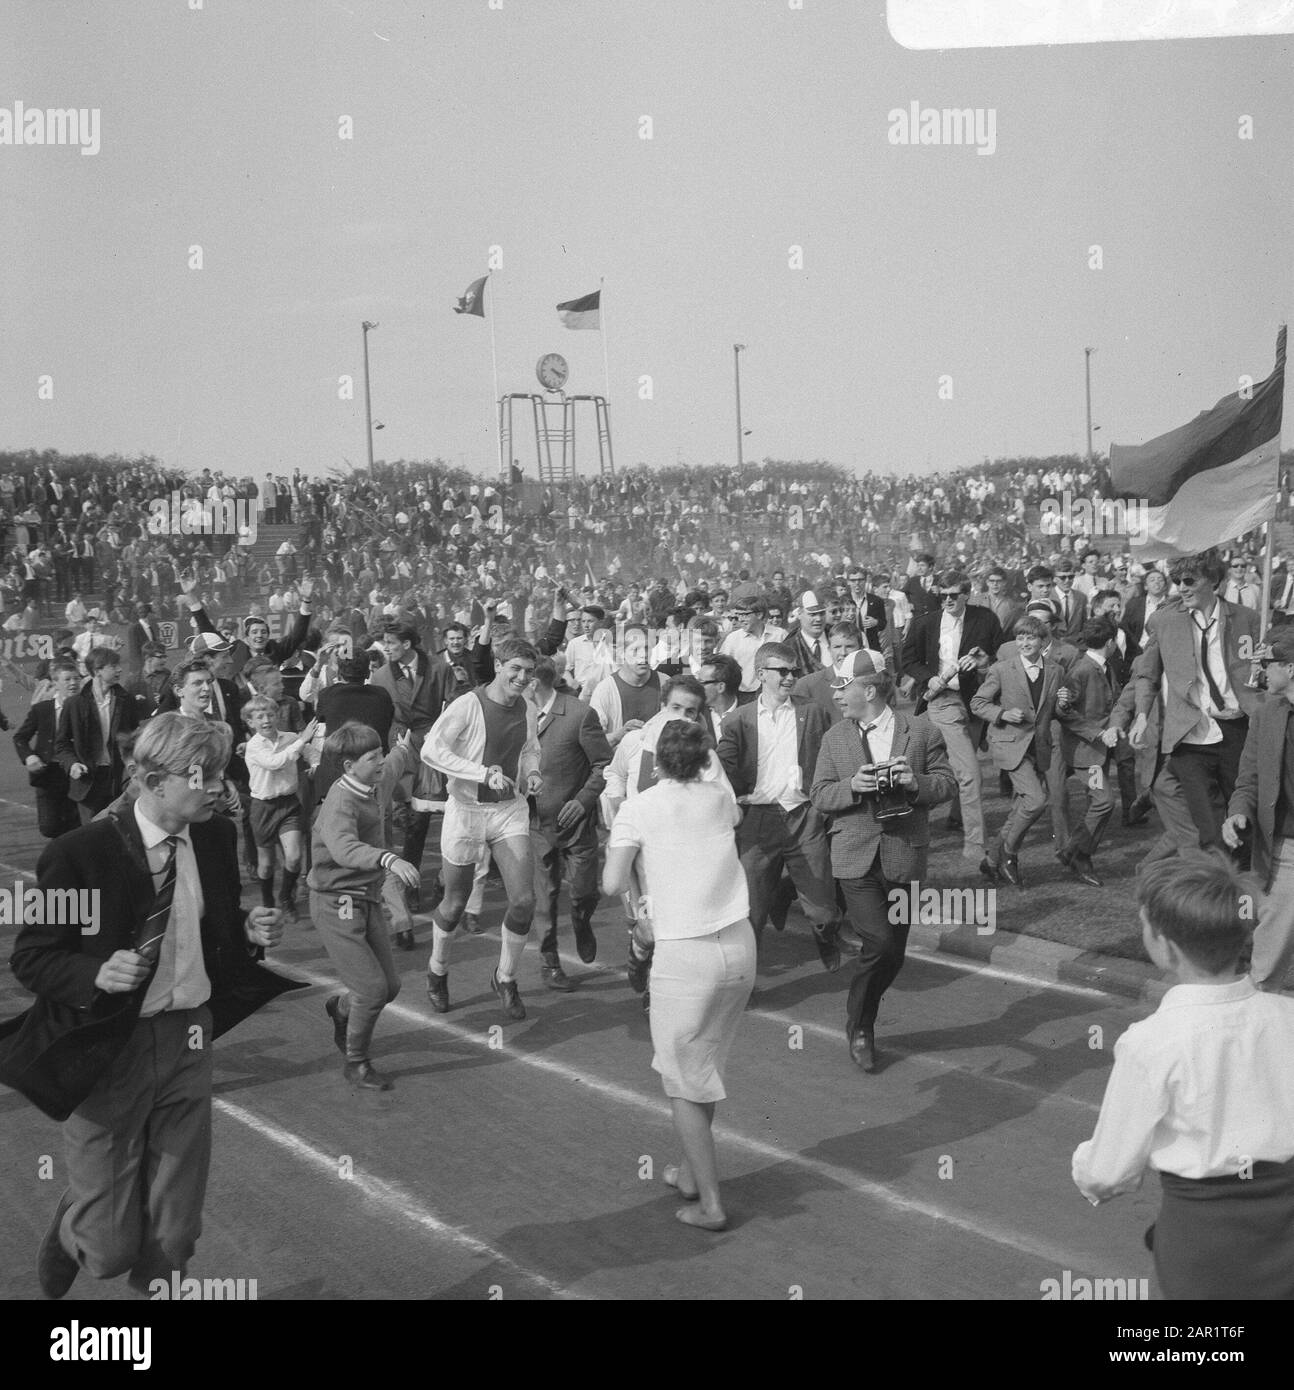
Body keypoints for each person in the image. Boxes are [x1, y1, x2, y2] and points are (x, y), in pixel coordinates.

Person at [0, 714, 300, 1298]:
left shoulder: (212, 837)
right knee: (109, 1252)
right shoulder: (80, 853)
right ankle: (74, 1228)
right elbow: (33, 957)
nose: (218, 785)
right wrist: (96, 972)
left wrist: (249, 929)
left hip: (190, 1037)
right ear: (153, 781)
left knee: (174, 1235)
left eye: (220, 771)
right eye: (203, 773)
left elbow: (203, 926)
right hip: (110, 1049)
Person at [1071, 854, 1294, 1300]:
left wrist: (1085, 1167)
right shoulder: (1287, 1017)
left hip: (1204, 1242)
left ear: (1165, 944)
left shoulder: (1151, 1042)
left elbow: (1108, 1172)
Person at [602, 719, 753, 1232]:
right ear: (704, 759)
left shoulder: (637, 808)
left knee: (683, 1080)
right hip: (740, 946)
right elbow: (729, 805)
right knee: (704, 1064)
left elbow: (610, 882)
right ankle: (690, 1173)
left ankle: (710, 1204)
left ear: (657, 763)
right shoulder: (717, 799)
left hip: (685, 955)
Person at [810, 652, 956, 1071]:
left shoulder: (922, 731)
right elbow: (819, 794)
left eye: (843, 688)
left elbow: (947, 785)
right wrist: (852, 787)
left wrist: (916, 784)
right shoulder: (835, 737)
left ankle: (862, 1016)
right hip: (854, 855)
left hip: (904, 853)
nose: (836, 696)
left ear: (868, 690)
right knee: (879, 941)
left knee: (895, 953)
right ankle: (860, 1026)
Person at [420, 636, 544, 1020]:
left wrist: (533, 771)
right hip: (467, 810)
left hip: (508, 810)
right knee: (455, 904)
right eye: (515, 670)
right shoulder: (468, 705)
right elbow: (430, 750)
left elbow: (530, 748)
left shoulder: (528, 706)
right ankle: (437, 971)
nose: (522, 678)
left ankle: (505, 977)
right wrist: (479, 773)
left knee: (524, 901)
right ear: (498, 666)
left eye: (528, 672)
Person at [716, 641, 841, 974]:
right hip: (758, 820)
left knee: (823, 906)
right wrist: (732, 800)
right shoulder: (738, 721)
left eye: (794, 671)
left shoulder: (812, 711)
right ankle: (746, 975)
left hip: (804, 816)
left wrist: (824, 801)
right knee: (750, 910)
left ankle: (826, 935)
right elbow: (723, 770)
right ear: (761, 674)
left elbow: (833, 755)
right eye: (782, 672)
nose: (790, 678)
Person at [308, 722, 420, 1091]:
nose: (380, 762)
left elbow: (393, 767)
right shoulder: (340, 802)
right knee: (371, 990)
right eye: (373, 757)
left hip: (365, 898)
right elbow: (343, 849)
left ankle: (341, 1010)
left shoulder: (372, 781)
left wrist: (402, 749)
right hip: (336, 902)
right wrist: (390, 860)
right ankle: (356, 1061)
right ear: (348, 766)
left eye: (380, 753)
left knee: (389, 986)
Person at [1129, 550, 1263, 851]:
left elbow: (1260, 676)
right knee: (1211, 829)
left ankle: (1242, 886)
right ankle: (1219, 888)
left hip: (1236, 730)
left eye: (1189, 580)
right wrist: (1140, 715)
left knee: (1244, 820)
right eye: (1177, 580)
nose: (1181, 587)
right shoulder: (1164, 621)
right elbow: (1146, 675)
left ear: (1213, 579)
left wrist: (1261, 671)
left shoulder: (1246, 619)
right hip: (1189, 735)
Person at [901, 569, 1001, 863]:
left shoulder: (985, 619)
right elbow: (908, 660)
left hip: (976, 702)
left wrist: (986, 662)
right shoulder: (925, 623)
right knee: (970, 773)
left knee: (960, 765)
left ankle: (956, 818)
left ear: (966, 594)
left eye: (953, 595)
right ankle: (974, 844)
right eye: (942, 595)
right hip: (942, 701)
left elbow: (1002, 653)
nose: (947, 600)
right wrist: (928, 678)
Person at [526, 657, 612, 990]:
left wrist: (583, 800)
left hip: (576, 825)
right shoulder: (518, 717)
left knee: (584, 892)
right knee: (543, 898)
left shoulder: (578, 714)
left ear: (535, 683)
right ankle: (550, 964)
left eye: (522, 679)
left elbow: (603, 763)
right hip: (535, 825)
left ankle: (581, 920)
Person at [971, 614, 1066, 888]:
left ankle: (990, 861)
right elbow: (977, 703)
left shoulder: (1056, 670)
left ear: (1042, 641)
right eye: (1020, 638)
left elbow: (1055, 712)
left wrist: (1065, 703)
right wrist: (1001, 713)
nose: (1025, 643)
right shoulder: (1002, 669)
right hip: (1010, 744)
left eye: (1031, 638)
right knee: (1035, 801)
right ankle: (1009, 855)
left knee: (1020, 807)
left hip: (1039, 745)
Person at [1222, 639, 1294, 991]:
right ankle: (1256, 1033)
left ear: (1290, 668)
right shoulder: (1266, 714)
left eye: (1269, 664)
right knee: (1267, 963)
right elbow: (1248, 778)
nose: (1262, 671)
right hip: (1284, 850)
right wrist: (1237, 813)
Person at [1054, 618, 1122, 888]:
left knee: (1101, 801)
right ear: (1110, 643)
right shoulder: (1083, 670)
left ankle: (1077, 852)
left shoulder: (1103, 667)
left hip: (1099, 751)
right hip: (1086, 753)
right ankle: (1076, 852)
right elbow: (1063, 712)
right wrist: (1096, 733)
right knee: (1104, 800)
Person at [244, 695, 318, 923]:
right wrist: (302, 741)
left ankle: (286, 896)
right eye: (259, 717)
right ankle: (267, 900)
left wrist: (314, 762)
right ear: (251, 722)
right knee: (266, 865)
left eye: (270, 715)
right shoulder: (254, 746)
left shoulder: (290, 738)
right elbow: (275, 762)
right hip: (263, 807)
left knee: (294, 856)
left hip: (288, 804)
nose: (266, 720)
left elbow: (311, 752)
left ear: (277, 716)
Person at [54, 646, 139, 823]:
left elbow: (134, 739)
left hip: (119, 780)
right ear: (98, 670)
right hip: (88, 782)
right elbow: (61, 744)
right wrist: (72, 765)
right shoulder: (74, 704)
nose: (120, 669)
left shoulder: (126, 701)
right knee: (92, 836)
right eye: (114, 666)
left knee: (121, 832)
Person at [13, 661, 82, 839]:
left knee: (75, 827)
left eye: (76, 678)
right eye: (67, 679)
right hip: (48, 775)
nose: (73, 683)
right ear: (55, 682)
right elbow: (20, 737)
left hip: (77, 775)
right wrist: (28, 757)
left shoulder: (86, 709)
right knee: (50, 827)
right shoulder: (42, 710)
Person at [587, 624, 663, 746]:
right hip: (618, 763)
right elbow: (592, 742)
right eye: (635, 650)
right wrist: (620, 734)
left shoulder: (665, 683)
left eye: (647, 648)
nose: (643, 655)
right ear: (621, 653)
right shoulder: (605, 690)